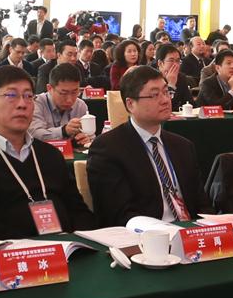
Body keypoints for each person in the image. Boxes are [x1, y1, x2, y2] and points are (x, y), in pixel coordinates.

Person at [0, 64, 93, 237]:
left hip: (67, 248)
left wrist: (80, 242)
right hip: (12, 252)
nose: (22, 104)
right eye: (11, 95)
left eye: (28, 96)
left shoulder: (51, 155)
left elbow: (79, 212)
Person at [86, 65, 205, 225]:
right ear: (130, 104)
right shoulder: (108, 148)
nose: (165, 100)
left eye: (166, 92)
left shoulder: (183, 146)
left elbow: (202, 205)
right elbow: (118, 214)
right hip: (146, 234)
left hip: (190, 232)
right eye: (154, 95)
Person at [27, 63, 96, 149]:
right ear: (49, 88)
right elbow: (34, 134)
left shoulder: (80, 105)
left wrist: (85, 139)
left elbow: (91, 136)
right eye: (63, 93)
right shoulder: (36, 104)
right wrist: (64, 131)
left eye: (75, 92)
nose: (69, 100)